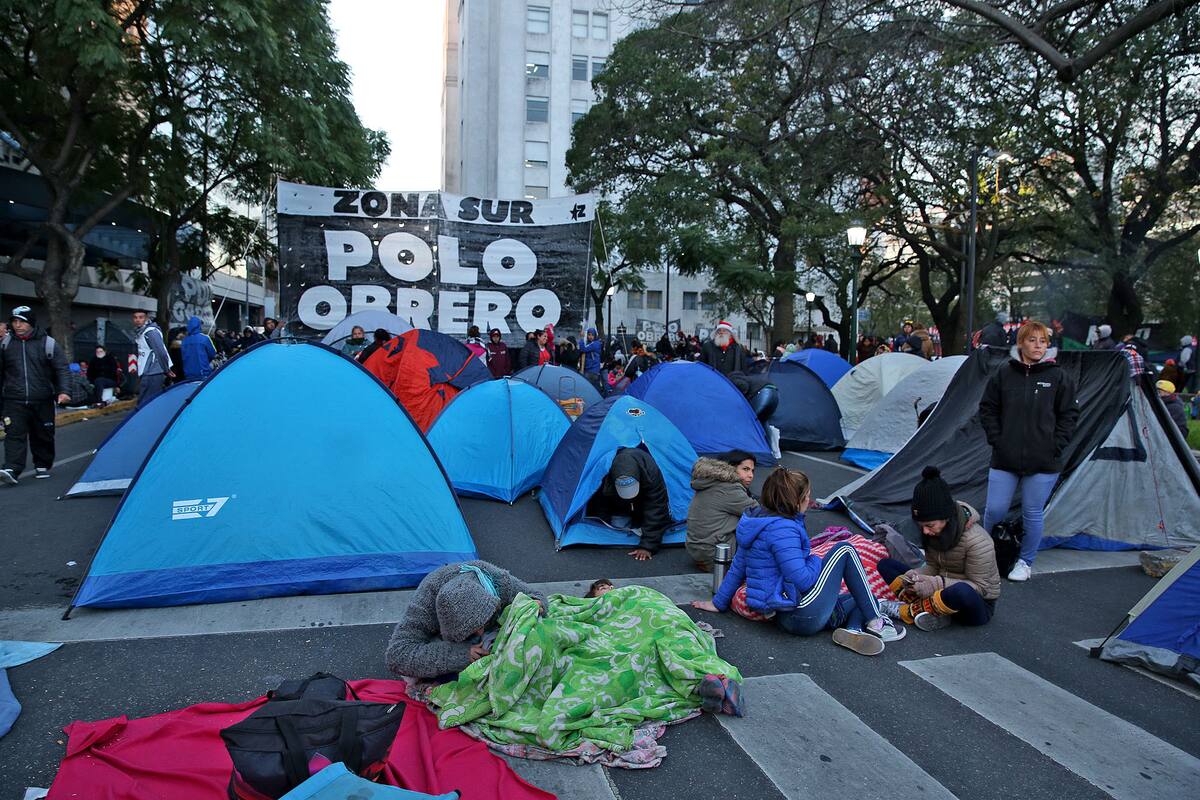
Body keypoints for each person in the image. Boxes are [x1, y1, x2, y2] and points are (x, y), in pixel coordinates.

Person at [692, 468, 903, 654]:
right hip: (799, 611)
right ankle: (878, 623)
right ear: (796, 500)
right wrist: (815, 560)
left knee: (865, 596)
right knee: (844, 549)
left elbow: (738, 567)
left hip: (784, 611)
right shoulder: (783, 529)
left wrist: (718, 603)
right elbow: (802, 580)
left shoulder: (757, 522)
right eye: (807, 497)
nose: (809, 502)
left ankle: (853, 630)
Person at [980, 320, 1078, 582]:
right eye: (1033, 340)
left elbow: (1069, 415)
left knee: (1032, 513)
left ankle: (1025, 561)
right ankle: (985, 557)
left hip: (1043, 460)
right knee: (995, 510)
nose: (1038, 346)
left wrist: (1055, 445)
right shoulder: (1003, 373)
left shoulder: (1058, 376)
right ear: (1021, 342)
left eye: (1043, 341)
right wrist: (997, 439)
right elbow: (988, 408)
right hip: (1005, 456)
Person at [875, 467, 1001, 630]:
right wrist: (916, 576)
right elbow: (933, 567)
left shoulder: (977, 541)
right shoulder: (934, 532)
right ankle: (932, 611)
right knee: (885, 565)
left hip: (974, 604)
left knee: (961, 592)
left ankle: (905, 611)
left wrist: (933, 583)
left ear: (946, 518)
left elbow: (980, 588)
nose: (926, 531)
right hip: (940, 592)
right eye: (921, 526)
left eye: (929, 525)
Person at [384, 560, 546, 679]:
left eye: (481, 623)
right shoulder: (426, 601)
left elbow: (537, 596)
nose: (480, 633)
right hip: (448, 647)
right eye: (470, 631)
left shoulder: (497, 581)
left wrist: (536, 605)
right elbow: (397, 655)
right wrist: (461, 655)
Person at [0, 306, 70, 485]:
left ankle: (42, 464)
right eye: (15, 322)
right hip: (14, 399)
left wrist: (64, 391)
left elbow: (61, 368)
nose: (17, 325)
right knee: (14, 434)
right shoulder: (6, 344)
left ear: (30, 323)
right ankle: (12, 469)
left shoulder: (48, 343)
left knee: (43, 434)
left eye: (21, 321)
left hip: (42, 398)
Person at [590, 447, 673, 561]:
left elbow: (656, 508)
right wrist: (602, 528)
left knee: (653, 520)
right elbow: (600, 502)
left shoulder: (651, 472)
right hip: (619, 506)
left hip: (643, 503)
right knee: (617, 533)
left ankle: (642, 527)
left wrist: (647, 546)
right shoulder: (606, 471)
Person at [686, 451, 757, 571]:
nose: (751, 475)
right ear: (731, 468)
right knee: (762, 526)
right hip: (715, 554)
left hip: (698, 549)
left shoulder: (712, 482)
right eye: (745, 469)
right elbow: (758, 513)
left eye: (752, 470)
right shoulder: (729, 488)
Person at [132, 309, 172, 408]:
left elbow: (161, 352)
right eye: (135, 317)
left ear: (146, 318)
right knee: (148, 403)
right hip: (149, 372)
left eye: (140, 317)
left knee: (146, 404)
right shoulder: (142, 332)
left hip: (152, 373)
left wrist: (166, 369)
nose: (137, 320)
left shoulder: (150, 333)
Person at [180, 316, 217, 380]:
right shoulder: (205, 338)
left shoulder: (184, 340)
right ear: (199, 326)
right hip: (203, 372)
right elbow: (212, 354)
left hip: (188, 374)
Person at [580, 328, 603, 392]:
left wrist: (581, 338)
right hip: (594, 370)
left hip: (591, 370)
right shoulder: (595, 343)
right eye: (589, 335)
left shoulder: (594, 344)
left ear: (595, 336)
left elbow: (583, 349)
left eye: (592, 335)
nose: (590, 337)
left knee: (588, 390)